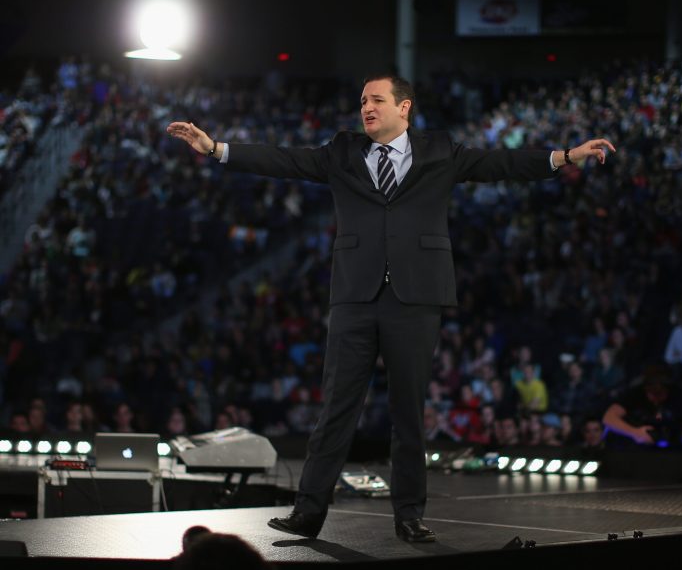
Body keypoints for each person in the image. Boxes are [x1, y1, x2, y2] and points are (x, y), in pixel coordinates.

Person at [167, 74, 615, 542]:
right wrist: (217, 148)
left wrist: (564, 157)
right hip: (355, 296)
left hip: (416, 295)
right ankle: (308, 512)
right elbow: (286, 159)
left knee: (408, 412)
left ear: (405, 108)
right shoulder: (341, 151)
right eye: (362, 100)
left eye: (377, 100)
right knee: (337, 408)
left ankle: (408, 515)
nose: (366, 107)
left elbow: (498, 162)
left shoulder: (441, 151)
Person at [602, 365, 682, 451]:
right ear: (646, 389)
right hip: (636, 451)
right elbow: (609, 418)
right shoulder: (636, 393)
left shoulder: (680, 395)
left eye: (660, 394)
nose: (656, 400)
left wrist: (675, 437)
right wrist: (635, 433)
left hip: (672, 453)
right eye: (653, 394)